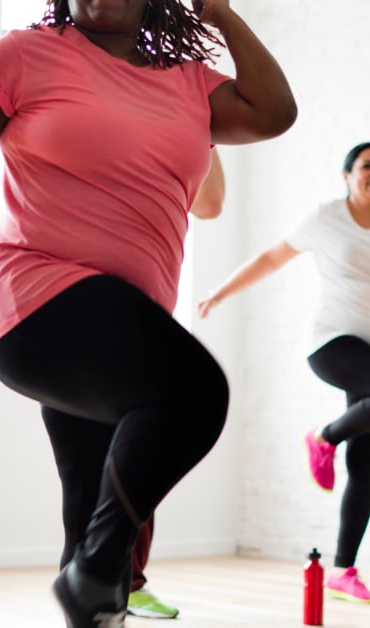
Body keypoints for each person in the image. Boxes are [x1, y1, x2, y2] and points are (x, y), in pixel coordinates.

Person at [0, 0, 296, 625]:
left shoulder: (189, 80)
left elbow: (276, 112)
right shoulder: (23, 56)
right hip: (33, 298)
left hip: (118, 329)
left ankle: (93, 590)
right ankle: (93, 576)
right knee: (194, 392)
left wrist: (221, 14)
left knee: (91, 508)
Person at [197, 141, 370, 605]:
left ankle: (342, 570)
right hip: (332, 343)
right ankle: (324, 437)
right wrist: (221, 293)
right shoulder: (327, 216)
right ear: (347, 175)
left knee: (365, 466)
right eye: (367, 165)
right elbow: (272, 258)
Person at [127, 148, 225, 621]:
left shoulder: (172, 157)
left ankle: (128, 583)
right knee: (95, 464)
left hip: (150, 322)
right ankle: (103, 582)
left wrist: (205, 135)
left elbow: (210, 204)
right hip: (90, 317)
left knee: (142, 457)